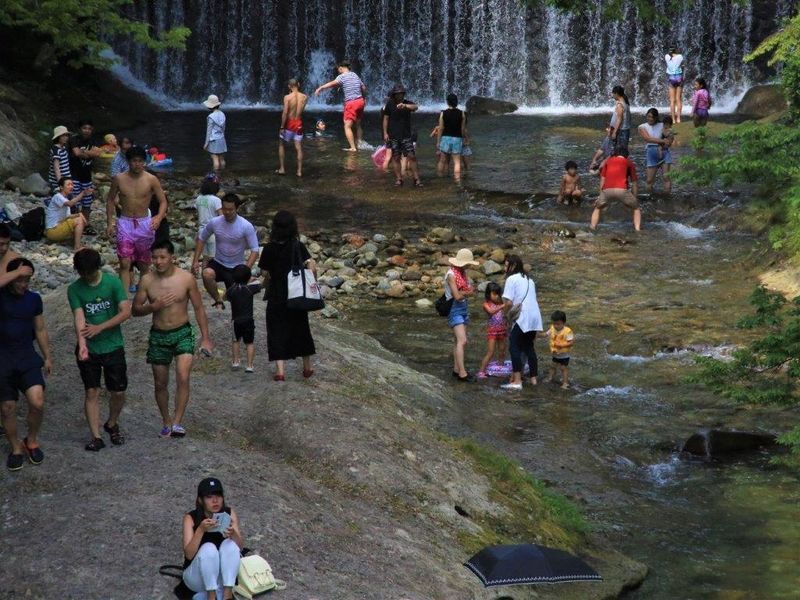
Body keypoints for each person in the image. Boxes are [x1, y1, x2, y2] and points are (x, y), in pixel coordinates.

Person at [132, 240, 213, 438]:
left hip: (182, 332)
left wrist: (205, 338)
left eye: (162, 257)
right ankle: (166, 421)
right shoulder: (147, 280)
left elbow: (199, 308)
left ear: (172, 258)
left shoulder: (186, 279)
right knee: (160, 383)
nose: (158, 262)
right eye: (154, 258)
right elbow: (135, 310)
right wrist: (153, 307)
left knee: (183, 376)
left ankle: (177, 421)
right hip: (159, 335)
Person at [67, 248, 131, 451]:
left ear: (97, 267)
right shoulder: (74, 289)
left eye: (90, 272)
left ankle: (112, 423)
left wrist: (100, 327)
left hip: (113, 345)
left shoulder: (112, 282)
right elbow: (79, 317)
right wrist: (82, 344)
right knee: (91, 391)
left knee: (118, 391)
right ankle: (95, 437)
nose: (86, 276)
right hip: (91, 348)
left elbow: (125, 312)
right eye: (82, 273)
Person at [0, 258, 51, 471]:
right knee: (7, 408)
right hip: (3, 360)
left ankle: (31, 440)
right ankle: (16, 449)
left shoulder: (33, 299)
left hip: (26, 357)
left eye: (27, 280)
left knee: (37, 402)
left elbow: (40, 328)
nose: (23, 285)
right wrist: (16, 272)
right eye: (19, 280)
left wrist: (47, 356)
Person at [257, 210, 316, 381]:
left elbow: (265, 272)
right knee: (301, 329)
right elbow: (310, 265)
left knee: (276, 330)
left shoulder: (269, 248)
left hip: (276, 295)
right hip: (297, 295)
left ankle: (280, 371)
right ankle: (307, 367)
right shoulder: (298, 246)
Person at [105, 146, 168, 294]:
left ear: (144, 162)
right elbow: (110, 200)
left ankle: (142, 294)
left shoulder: (151, 179)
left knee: (144, 263)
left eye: (140, 161)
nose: (137, 164)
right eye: (134, 161)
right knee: (124, 262)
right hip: (125, 222)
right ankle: (124, 298)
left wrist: (158, 217)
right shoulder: (119, 179)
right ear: (128, 161)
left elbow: (163, 201)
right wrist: (109, 223)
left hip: (144, 223)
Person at [192, 194, 260, 310]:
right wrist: (195, 261)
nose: (227, 212)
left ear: (237, 208)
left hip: (236, 267)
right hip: (218, 262)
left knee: (236, 303)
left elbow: (255, 250)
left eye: (230, 209)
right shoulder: (215, 222)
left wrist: (246, 270)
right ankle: (218, 300)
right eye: (224, 209)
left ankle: (228, 298)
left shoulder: (246, 226)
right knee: (207, 274)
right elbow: (202, 238)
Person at [182, 477, 243, 600]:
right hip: (197, 578)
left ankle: (227, 595)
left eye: (218, 496)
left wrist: (233, 534)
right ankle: (211, 596)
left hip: (222, 577)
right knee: (209, 548)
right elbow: (188, 555)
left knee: (230, 544)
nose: (215, 501)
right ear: (200, 500)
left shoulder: (229, 513)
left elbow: (239, 549)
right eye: (209, 497)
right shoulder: (191, 518)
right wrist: (200, 530)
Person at [501, 255, 543, 391]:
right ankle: (534, 380)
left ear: (513, 266)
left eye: (506, 265)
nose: (504, 268)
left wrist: (504, 316)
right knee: (529, 347)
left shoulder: (511, 279)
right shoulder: (530, 280)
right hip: (535, 316)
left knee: (514, 347)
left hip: (522, 317)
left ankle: (517, 381)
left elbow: (508, 303)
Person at [314, 60, 367, 152]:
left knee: (347, 126)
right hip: (360, 101)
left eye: (338, 70)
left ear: (341, 68)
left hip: (351, 103)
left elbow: (332, 83)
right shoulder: (355, 75)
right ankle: (360, 143)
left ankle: (353, 148)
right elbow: (364, 88)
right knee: (358, 124)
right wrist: (364, 98)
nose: (338, 71)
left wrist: (321, 88)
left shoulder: (342, 76)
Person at [444, 248, 478, 382]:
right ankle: (462, 373)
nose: (469, 266)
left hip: (463, 308)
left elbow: (463, 293)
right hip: (454, 309)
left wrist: (465, 293)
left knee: (457, 341)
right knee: (462, 341)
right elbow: (457, 296)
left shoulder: (462, 273)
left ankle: (456, 369)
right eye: (468, 263)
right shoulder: (451, 275)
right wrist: (468, 293)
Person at [590, 147, 641, 231]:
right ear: (626, 155)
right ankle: (637, 229)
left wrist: (600, 195)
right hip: (621, 190)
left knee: (597, 208)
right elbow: (634, 183)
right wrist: (635, 197)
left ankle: (592, 228)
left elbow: (602, 179)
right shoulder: (629, 162)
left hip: (607, 190)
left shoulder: (608, 161)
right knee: (636, 208)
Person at [383, 85, 421, 187]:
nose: (400, 95)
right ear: (394, 95)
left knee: (412, 156)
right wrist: (385, 133)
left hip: (406, 135)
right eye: (398, 94)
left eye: (401, 93)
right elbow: (386, 119)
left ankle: (416, 179)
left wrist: (405, 106)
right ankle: (399, 179)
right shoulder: (390, 104)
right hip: (393, 135)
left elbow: (415, 107)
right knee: (396, 157)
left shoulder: (407, 103)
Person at [68, 119, 103, 234]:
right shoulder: (74, 139)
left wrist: (83, 153)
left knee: (87, 202)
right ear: (80, 129)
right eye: (84, 128)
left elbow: (98, 153)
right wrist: (89, 153)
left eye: (89, 129)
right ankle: (74, 225)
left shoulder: (93, 140)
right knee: (75, 201)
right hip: (74, 174)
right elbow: (76, 153)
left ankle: (86, 224)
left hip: (87, 175)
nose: (87, 131)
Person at [227, 265, 260, 373]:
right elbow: (262, 285)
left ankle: (236, 361)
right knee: (249, 343)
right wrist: (252, 281)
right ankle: (249, 366)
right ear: (248, 277)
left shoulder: (231, 290)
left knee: (235, 341)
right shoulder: (250, 289)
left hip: (236, 320)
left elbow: (225, 297)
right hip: (248, 320)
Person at [44, 177, 89, 250]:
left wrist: (79, 215)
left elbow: (68, 216)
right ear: (61, 187)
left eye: (72, 184)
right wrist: (82, 194)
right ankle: (77, 247)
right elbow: (70, 204)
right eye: (68, 185)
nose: (71, 187)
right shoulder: (57, 196)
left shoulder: (65, 200)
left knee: (78, 218)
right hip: (52, 230)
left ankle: (74, 243)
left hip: (57, 227)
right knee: (78, 221)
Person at [277, 79, 308, 177]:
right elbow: (302, 110)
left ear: (289, 86)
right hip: (298, 123)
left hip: (289, 124)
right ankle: (299, 171)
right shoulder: (304, 97)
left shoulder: (287, 97)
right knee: (298, 147)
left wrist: (282, 126)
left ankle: (282, 169)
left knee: (281, 144)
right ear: (298, 84)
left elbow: (285, 112)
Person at [477, 282, 507, 380]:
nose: (497, 296)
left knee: (502, 350)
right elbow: (491, 312)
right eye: (494, 294)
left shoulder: (501, 302)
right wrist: (502, 306)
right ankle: (481, 371)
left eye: (498, 294)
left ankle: (500, 368)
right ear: (488, 294)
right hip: (492, 331)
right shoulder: (486, 304)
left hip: (502, 330)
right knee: (490, 352)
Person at [436, 93, 468, 180]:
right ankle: (457, 180)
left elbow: (441, 128)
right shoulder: (462, 113)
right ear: (456, 102)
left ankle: (439, 178)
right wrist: (464, 139)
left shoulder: (443, 113)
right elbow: (462, 129)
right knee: (457, 162)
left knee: (442, 160)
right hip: (457, 138)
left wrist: (438, 141)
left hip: (445, 138)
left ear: (447, 102)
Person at [638, 108, 668, 193]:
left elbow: (669, 135)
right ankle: (650, 196)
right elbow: (647, 139)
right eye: (648, 116)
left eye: (652, 117)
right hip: (651, 152)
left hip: (664, 151)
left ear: (656, 117)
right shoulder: (642, 126)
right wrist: (663, 141)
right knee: (649, 180)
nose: (650, 119)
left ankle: (667, 196)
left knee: (666, 178)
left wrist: (668, 141)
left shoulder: (662, 125)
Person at [195, 176, 223, 266]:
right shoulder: (216, 200)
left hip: (201, 231)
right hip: (213, 232)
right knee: (214, 258)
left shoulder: (199, 198)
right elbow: (221, 217)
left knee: (205, 257)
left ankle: (203, 273)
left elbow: (198, 213)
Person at [544, 310, 574, 389]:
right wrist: (537, 334)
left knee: (563, 368)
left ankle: (565, 383)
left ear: (563, 323)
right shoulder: (552, 328)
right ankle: (550, 378)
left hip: (564, 355)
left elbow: (571, 342)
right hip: (555, 353)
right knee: (552, 366)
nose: (556, 326)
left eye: (558, 324)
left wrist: (562, 345)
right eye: (554, 323)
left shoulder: (567, 331)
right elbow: (545, 334)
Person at [203, 94, 227, 172]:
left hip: (214, 140)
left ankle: (216, 175)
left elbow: (209, 131)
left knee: (215, 158)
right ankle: (223, 173)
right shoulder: (222, 114)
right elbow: (223, 128)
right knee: (222, 159)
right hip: (221, 138)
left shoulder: (211, 117)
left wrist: (206, 143)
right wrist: (223, 136)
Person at [48, 126, 72, 194]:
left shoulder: (63, 148)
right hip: (58, 183)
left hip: (66, 181)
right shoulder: (56, 150)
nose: (65, 137)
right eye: (63, 135)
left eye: (66, 135)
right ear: (58, 137)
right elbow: (56, 168)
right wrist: (61, 184)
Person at [610, 86, 632, 154]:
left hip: (621, 131)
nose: (613, 96)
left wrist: (614, 132)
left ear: (616, 93)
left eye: (613, 94)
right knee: (623, 150)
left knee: (619, 150)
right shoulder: (626, 103)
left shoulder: (620, 104)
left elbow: (619, 119)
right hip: (626, 130)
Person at [665, 48, 685, 123]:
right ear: (676, 51)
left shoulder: (667, 57)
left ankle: (673, 120)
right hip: (679, 78)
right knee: (678, 99)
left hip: (671, 78)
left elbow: (669, 55)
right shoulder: (680, 56)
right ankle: (678, 118)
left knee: (672, 101)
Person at [659, 116, 675, 192]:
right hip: (660, 150)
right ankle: (666, 191)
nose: (666, 126)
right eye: (665, 124)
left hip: (665, 151)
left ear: (670, 125)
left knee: (666, 176)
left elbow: (668, 143)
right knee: (663, 176)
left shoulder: (670, 131)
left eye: (667, 124)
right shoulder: (663, 129)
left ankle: (668, 192)